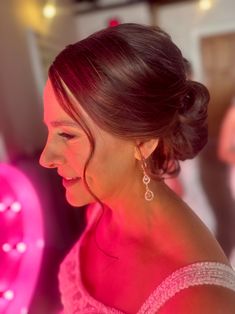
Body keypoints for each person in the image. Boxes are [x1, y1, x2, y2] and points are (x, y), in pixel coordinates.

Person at [39, 23, 235, 313]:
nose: (45, 158)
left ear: (142, 143)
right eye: (49, 131)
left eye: (67, 134)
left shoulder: (201, 301)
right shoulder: (101, 205)